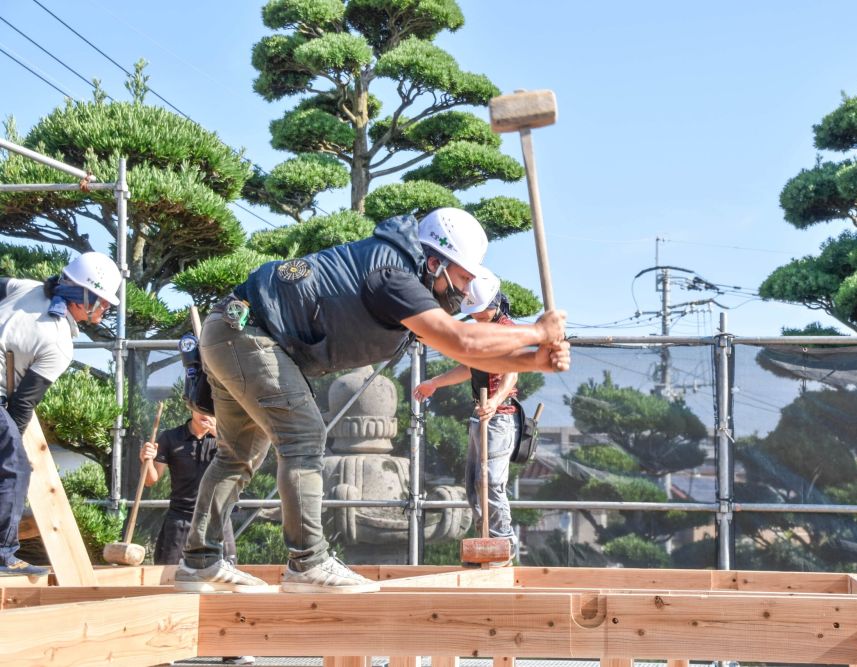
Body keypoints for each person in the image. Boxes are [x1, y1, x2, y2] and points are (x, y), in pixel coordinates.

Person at [177, 207, 569, 594]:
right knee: (304, 438)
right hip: (248, 335)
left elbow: (469, 356)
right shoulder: (393, 277)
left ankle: (199, 560)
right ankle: (308, 562)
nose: (466, 291)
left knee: (237, 455)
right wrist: (535, 331)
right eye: (464, 278)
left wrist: (534, 360)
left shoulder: (409, 279)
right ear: (435, 263)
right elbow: (462, 340)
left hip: (231, 330)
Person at [0, 252, 121, 576]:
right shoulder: (58, 342)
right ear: (83, 298)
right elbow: (21, 406)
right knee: (14, 469)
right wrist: (12, 452)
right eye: (103, 301)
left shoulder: (24, 288)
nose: (107, 308)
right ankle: (2, 555)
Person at [413, 269, 520, 565]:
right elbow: (468, 369)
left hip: (499, 417)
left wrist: (496, 400)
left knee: (490, 482)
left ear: (496, 304)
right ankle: (485, 541)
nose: (477, 317)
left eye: (481, 311)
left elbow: (513, 372)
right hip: (481, 415)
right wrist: (435, 382)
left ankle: (502, 543)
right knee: (474, 483)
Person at [140, 408, 237, 565]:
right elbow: (150, 480)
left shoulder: (227, 440)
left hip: (218, 518)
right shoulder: (171, 437)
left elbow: (240, 464)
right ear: (191, 408)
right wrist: (147, 459)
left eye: (211, 410)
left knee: (225, 574)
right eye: (201, 408)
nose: (206, 414)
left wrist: (219, 436)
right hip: (181, 518)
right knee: (169, 574)